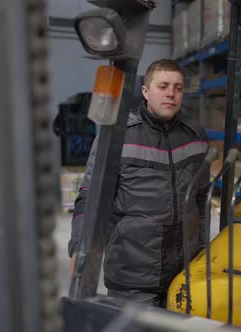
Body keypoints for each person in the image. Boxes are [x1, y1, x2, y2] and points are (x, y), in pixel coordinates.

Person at [68, 59, 210, 307]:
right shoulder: (118, 136)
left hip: (183, 270)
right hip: (132, 272)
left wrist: (203, 247)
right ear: (145, 91)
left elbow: (201, 198)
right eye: (163, 86)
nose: (171, 93)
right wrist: (81, 248)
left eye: (178, 87)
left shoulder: (194, 134)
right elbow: (91, 196)